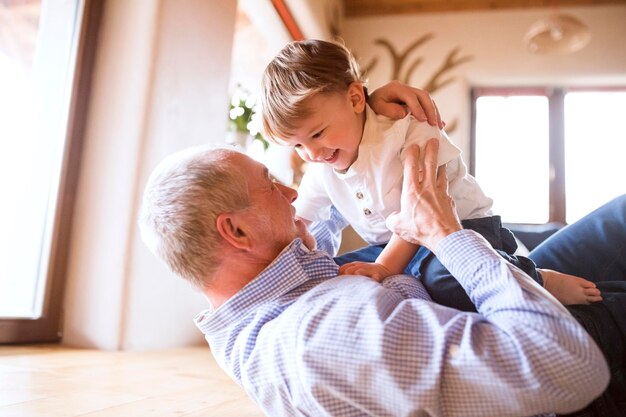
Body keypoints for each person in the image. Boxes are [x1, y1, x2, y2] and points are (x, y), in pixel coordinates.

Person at [138, 134, 625, 416]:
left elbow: (318, 200)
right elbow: (565, 369)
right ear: (237, 231)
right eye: (269, 184)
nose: (289, 192)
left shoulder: (271, 285)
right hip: (547, 349)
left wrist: (367, 119)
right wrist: (446, 234)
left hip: (487, 300)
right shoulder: (322, 337)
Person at [259, 39, 600, 306]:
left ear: (354, 99)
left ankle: (535, 278)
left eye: (317, 134)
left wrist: (386, 268)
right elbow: (300, 218)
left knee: (445, 280)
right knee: (335, 273)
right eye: (298, 146)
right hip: (390, 245)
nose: (313, 153)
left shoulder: (407, 130)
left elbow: (419, 212)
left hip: (458, 230)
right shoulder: (322, 167)